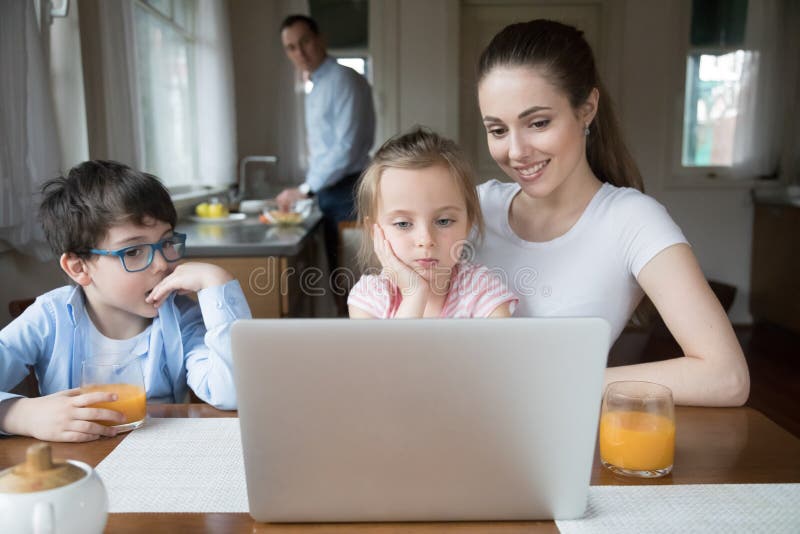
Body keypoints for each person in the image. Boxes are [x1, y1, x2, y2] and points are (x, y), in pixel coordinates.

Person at [473, 19, 749, 406]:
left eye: (538, 123)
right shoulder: (472, 208)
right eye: (498, 130)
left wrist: (558, 382)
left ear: (586, 108)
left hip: (561, 439)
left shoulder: (632, 221)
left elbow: (727, 375)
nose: (516, 151)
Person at [0, 160, 252, 442]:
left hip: (160, 459)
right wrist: (19, 414)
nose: (161, 264)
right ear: (79, 268)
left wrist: (216, 282)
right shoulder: (48, 318)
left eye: (167, 243)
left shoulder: (181, 317)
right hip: (79, 467)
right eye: (133, 251)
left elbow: (234, 394)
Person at [348, 127, 517, 319]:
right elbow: (387, 351)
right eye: (403, 224)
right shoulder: (369, 297)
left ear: (468, 224)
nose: (426, 240)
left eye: (444, 221)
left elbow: (497, 349)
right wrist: (414, 295)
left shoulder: (481, 290)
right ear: (375, 231)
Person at [276, 14, 376, 295]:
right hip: (330, 192)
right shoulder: (318, 85)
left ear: (320, 39)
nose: (300, 52)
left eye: (304, 41)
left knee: (357, 285)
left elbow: (346, 148)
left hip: (348, 191)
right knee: (342, 280)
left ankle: (361, 339)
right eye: (291, 47)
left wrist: (305, 189)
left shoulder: (342, 80)